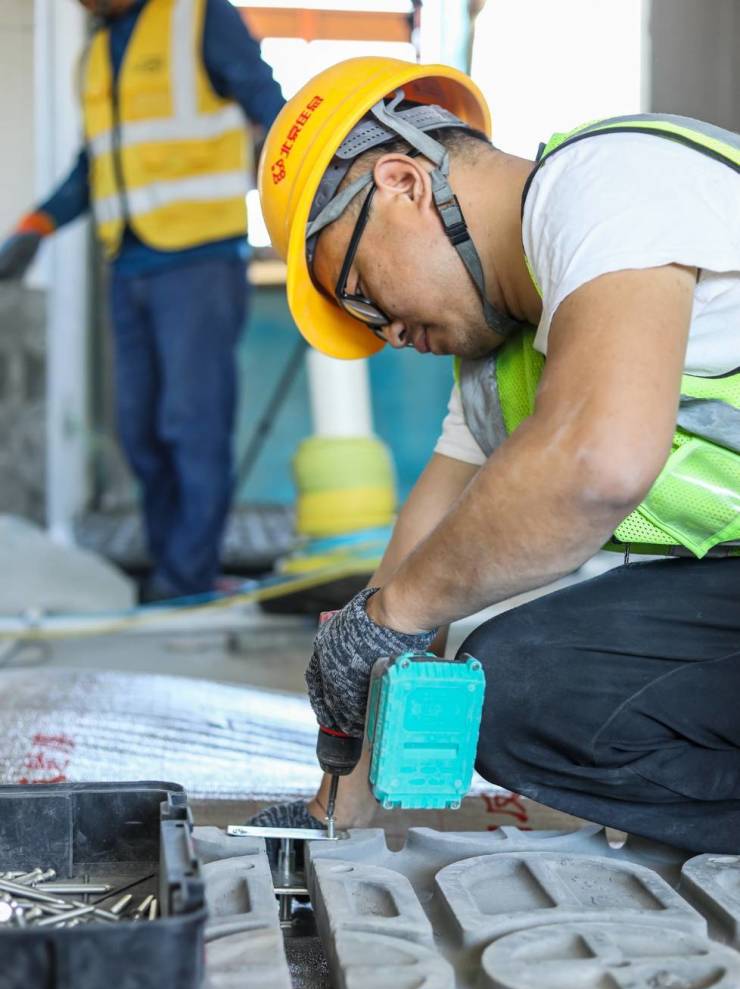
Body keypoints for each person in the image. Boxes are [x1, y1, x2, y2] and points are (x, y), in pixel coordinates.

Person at [250, 57, 740, 854]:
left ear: (403, 183)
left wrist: (394, 617)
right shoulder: (497, 370)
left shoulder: (610, 183)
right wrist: (334, 812)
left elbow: (599, 462)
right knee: (518, 684)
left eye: (362, 290)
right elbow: (412, 570)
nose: (387, 334)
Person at [0, 0, 284, 601]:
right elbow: (95, 164)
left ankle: (187, 581)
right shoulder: (97, 52)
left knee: (191, 424)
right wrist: (36, 226)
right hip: (128, 267)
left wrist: (315, 188)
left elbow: (269, 106)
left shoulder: (201, 16)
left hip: (200, 260)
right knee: (142, 432)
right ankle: (170, 569)